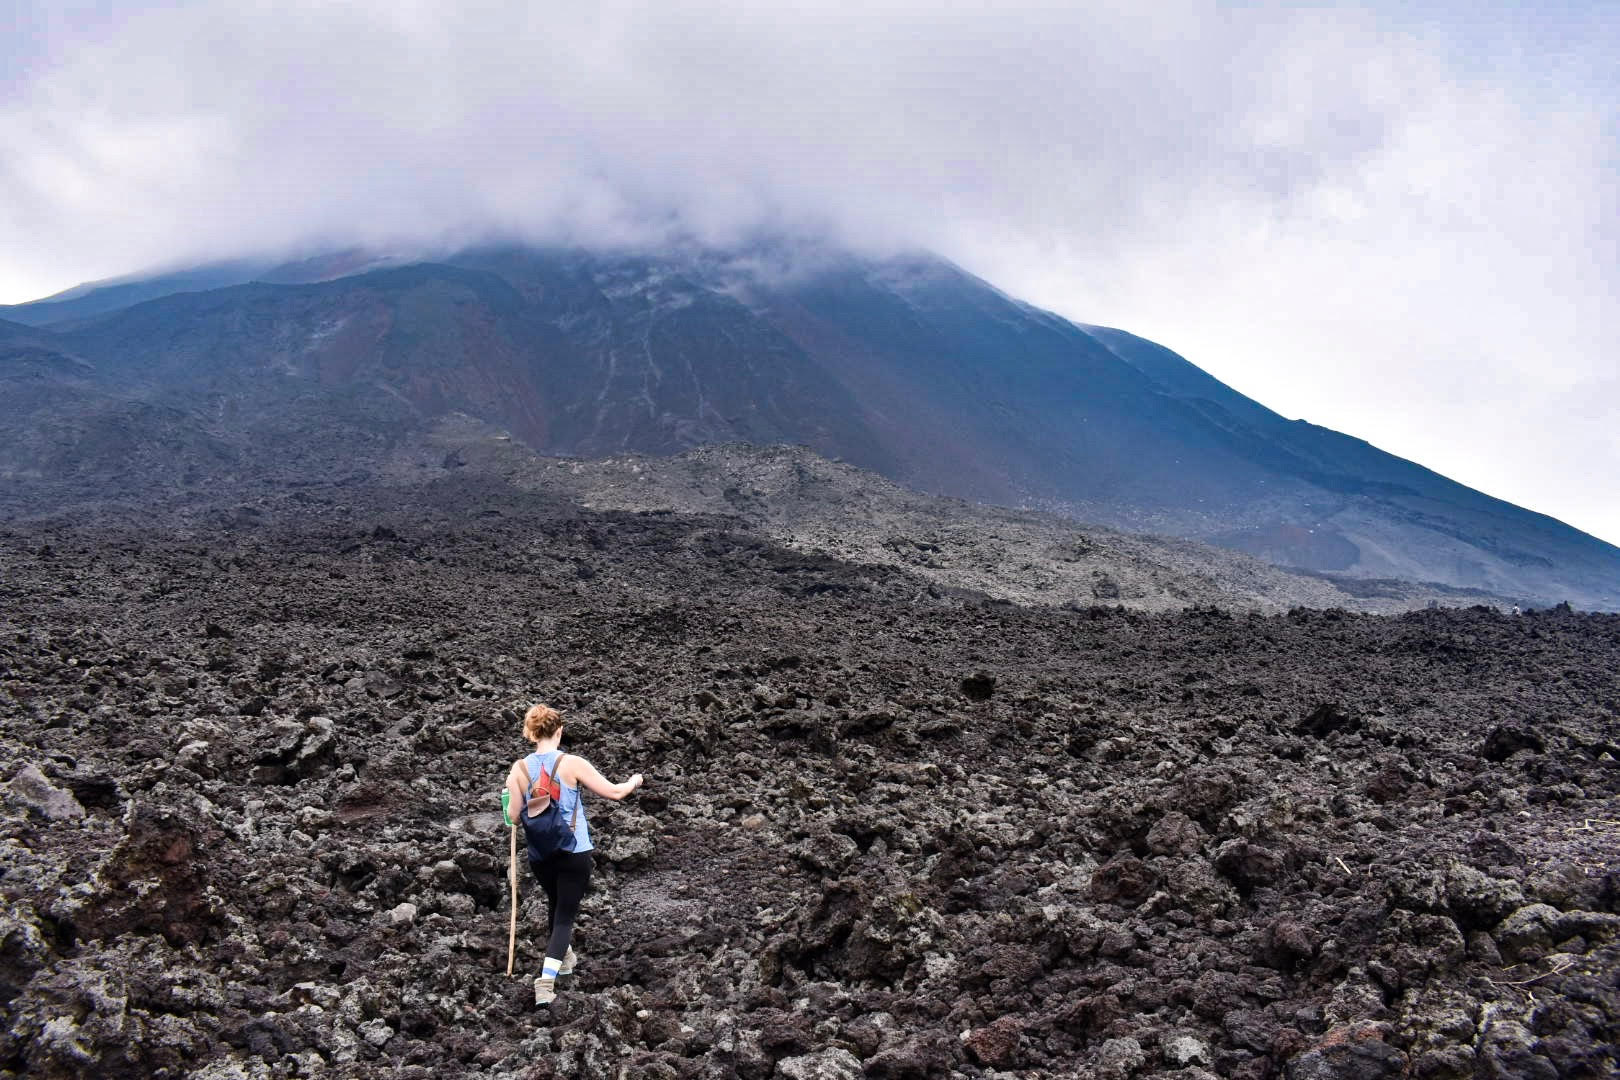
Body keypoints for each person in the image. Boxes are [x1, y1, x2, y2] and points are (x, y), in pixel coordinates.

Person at [504, 703, 644, 1007]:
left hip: (541, 855)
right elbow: (616, 793)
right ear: (560, 731)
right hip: (574, 852)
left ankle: (564, 961)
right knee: (565, 917)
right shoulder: (572, 763)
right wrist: (635, 780)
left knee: (556, 905)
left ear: (530, 733)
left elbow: (514, 817)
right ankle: (546, 981)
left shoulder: (518, 769)